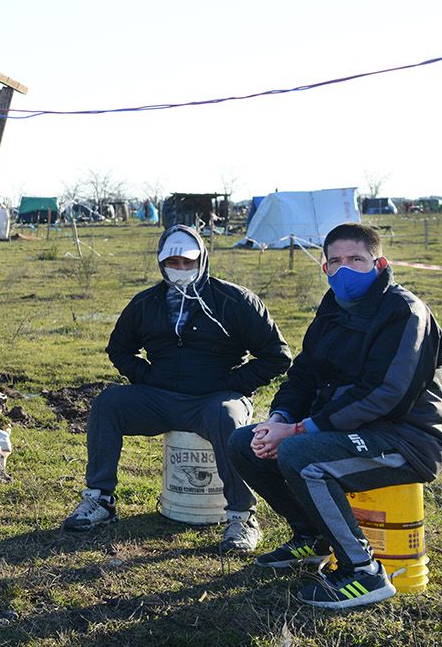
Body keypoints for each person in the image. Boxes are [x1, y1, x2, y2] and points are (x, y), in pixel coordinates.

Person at [227, 222, 442, 609]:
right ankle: (312, 538)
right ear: (325, 268)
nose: (345, 269)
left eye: (356, 260)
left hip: (406, 439)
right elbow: (304, 374)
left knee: (301, 455)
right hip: (342, 431)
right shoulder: (332, 309)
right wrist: (279, 419)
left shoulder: (404, 312)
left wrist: (300, 430)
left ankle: (362, 571)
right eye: (336, 261)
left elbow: (385, 395)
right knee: (243, 443)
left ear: (379, 263)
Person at [63, 225, 292, 554]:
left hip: (215, 398)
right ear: (161, 262)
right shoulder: (146, 303)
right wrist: (147, 378)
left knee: (227, 417)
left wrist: (231, 384)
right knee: (109, 402)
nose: (181, 270)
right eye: (174, 262)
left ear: (202, 260)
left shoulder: (234, 301)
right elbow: (120, 349)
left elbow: (276, 356)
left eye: (188, 262)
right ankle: (100, 500)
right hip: (161, 397)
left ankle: (242, 516)